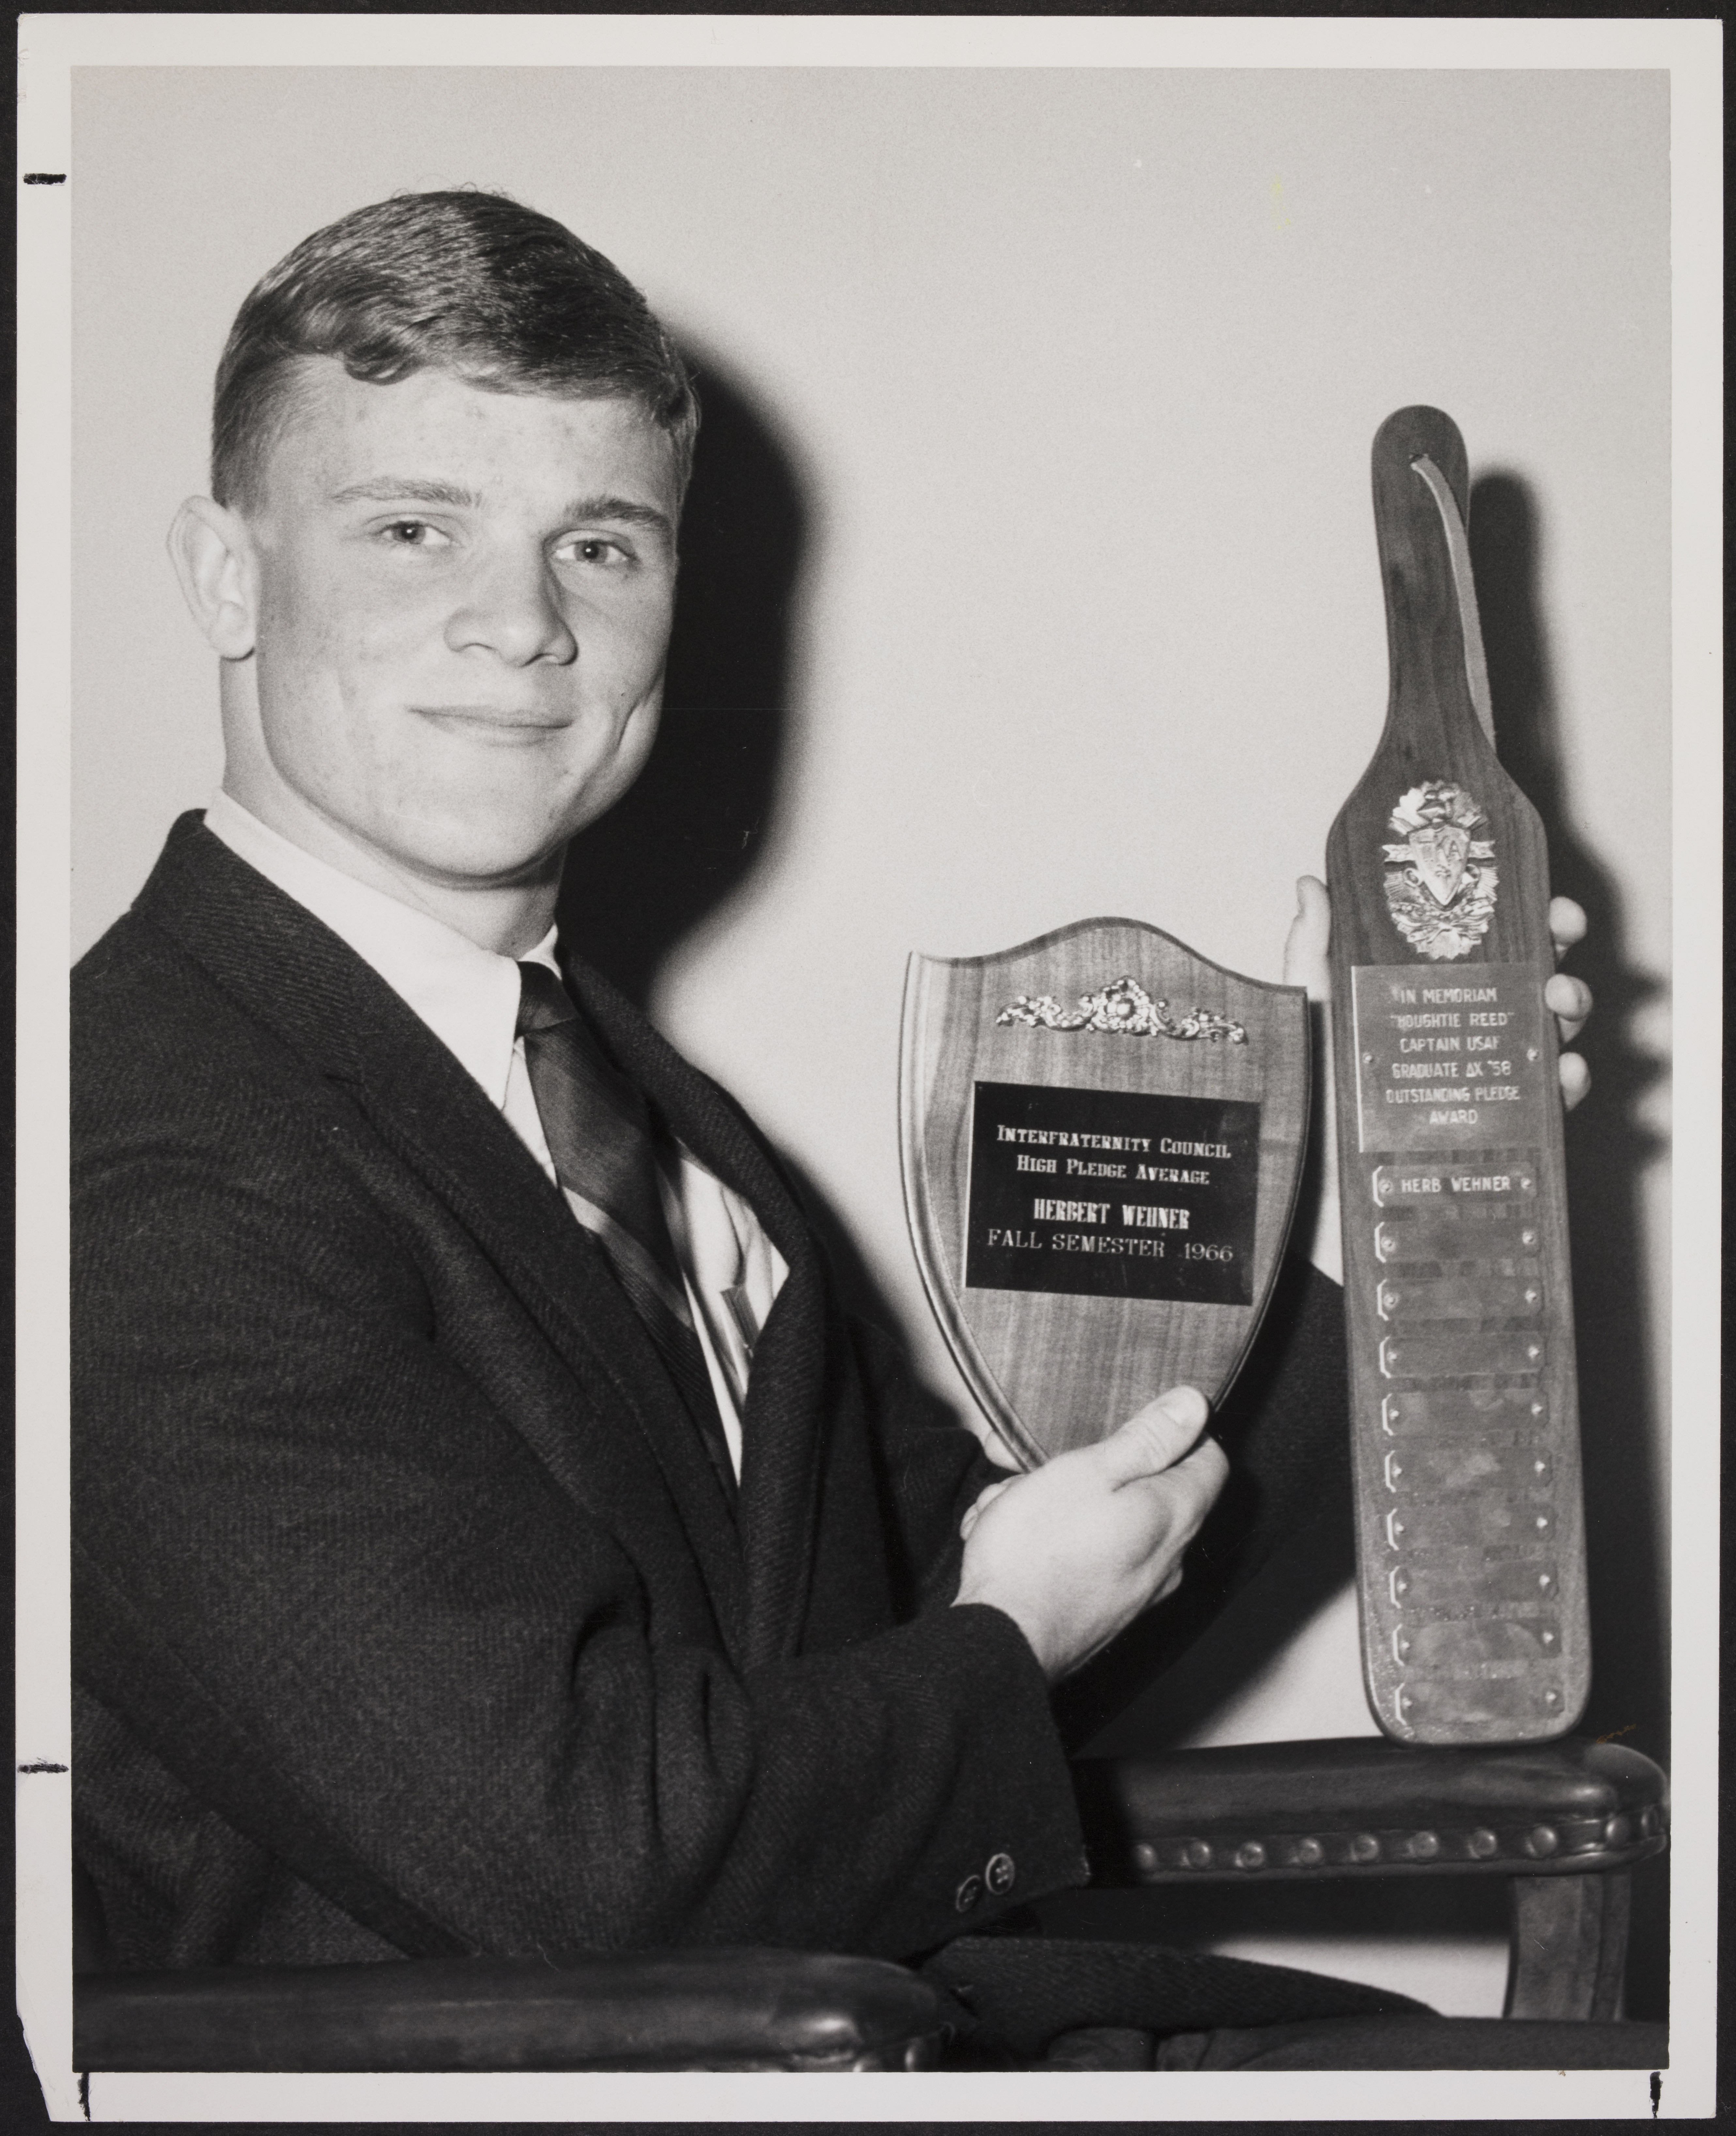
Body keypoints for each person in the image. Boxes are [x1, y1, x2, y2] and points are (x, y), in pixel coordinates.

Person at [72, 189, 1624, 2069]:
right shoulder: (130, 1143)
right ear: (225, 574)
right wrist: (1004, 1636)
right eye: (413, 531)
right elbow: (589, 1858)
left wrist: (1364, 1200)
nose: (522, 627)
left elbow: (958, 1609)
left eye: (603, 545)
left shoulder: (643, 1113)